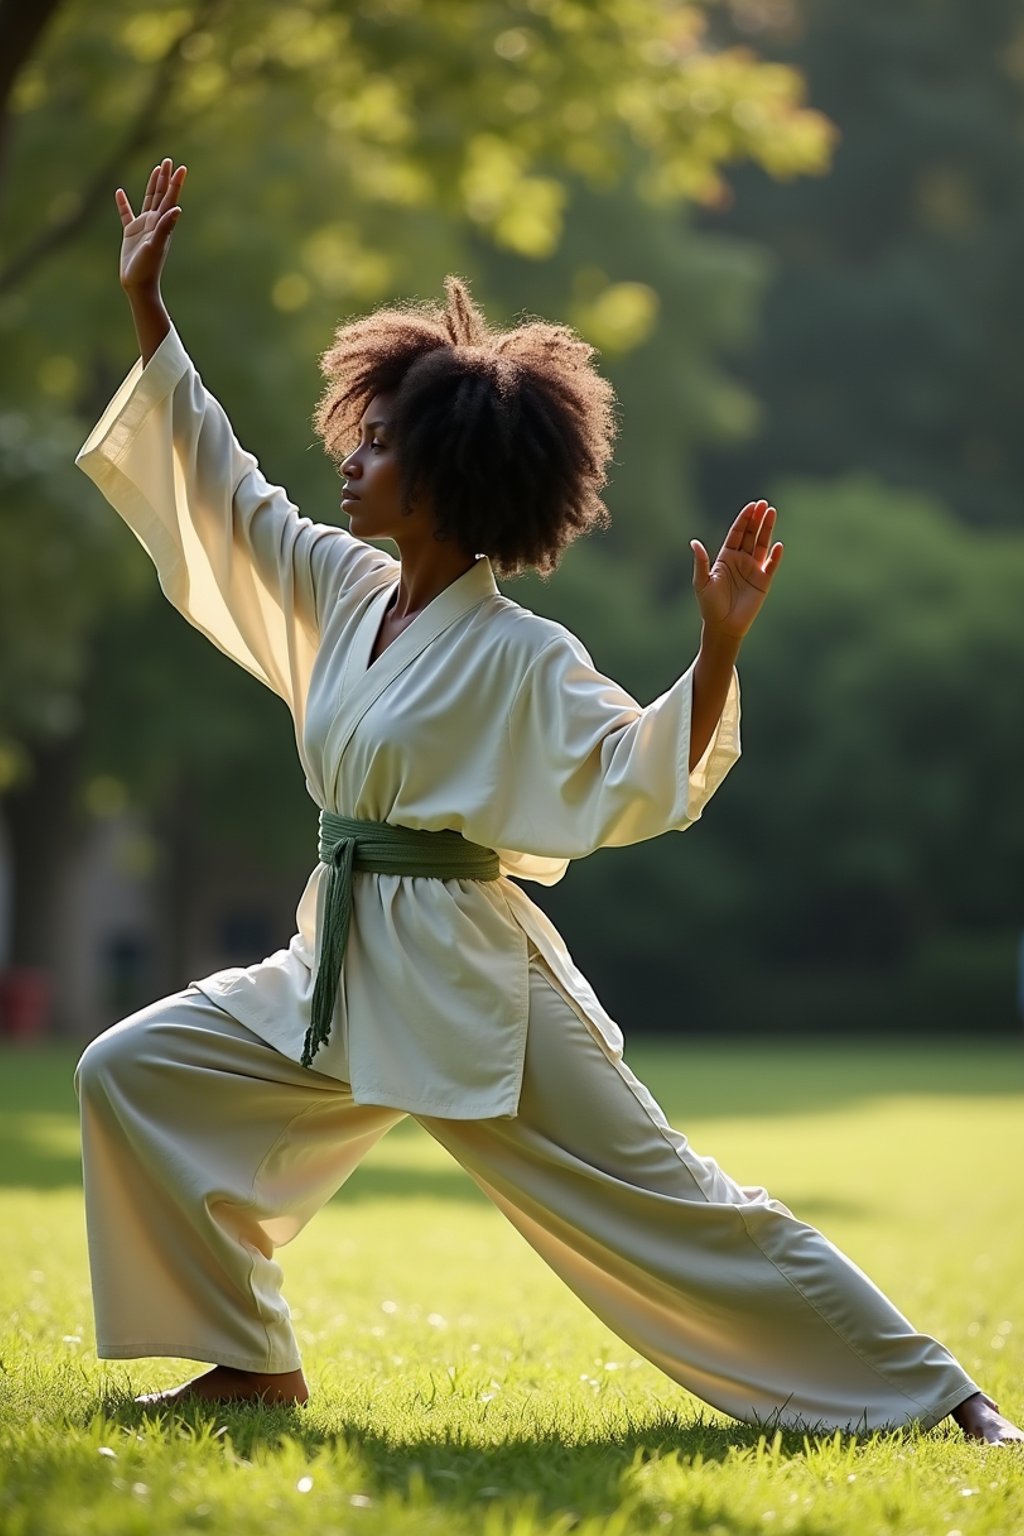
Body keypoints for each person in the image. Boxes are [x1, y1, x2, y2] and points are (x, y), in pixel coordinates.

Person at [73, 158, 1019, 1444]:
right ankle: (248, 1366)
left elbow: (641, 771)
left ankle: (939, 1395)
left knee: (674, 1205)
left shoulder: (519, 653)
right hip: (337, 963)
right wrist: (149, 313)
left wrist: (720, 646)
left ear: (453, 478)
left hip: (472, 990)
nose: (353, 456)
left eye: (385, 443)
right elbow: (224, 493)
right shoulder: (346, 592)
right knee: (134, 1070)